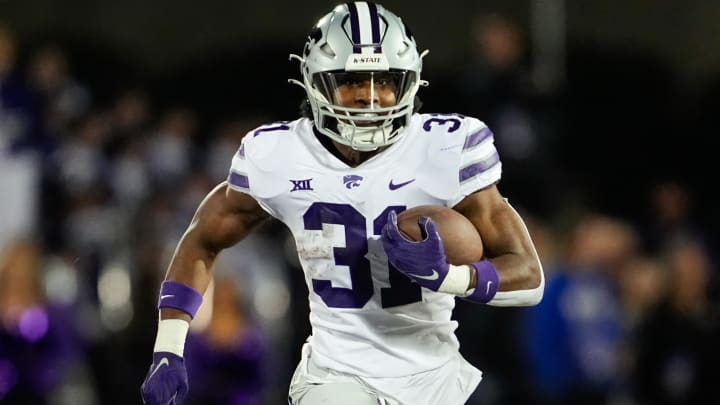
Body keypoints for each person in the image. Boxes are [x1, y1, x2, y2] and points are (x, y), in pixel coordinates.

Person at [140, 3, 544, 405]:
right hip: (336, 377)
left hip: (437, 375)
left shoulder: (447, 147)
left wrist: (448, 277)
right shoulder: (277, 154)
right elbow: (202, 240)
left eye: (384, 81)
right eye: (353, 82)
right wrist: (168, 348)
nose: (370, 98)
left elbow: (528, 275)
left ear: (409, 83)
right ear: (317, 83)